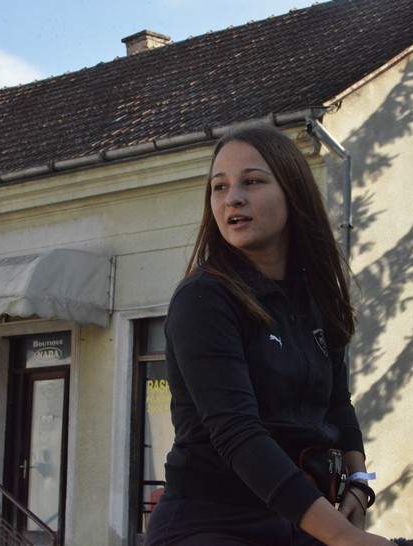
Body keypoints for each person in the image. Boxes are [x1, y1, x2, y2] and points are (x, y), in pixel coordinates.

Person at [145, 124, 396, 545]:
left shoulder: (315, 297)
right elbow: (238, 434)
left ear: (292, 192)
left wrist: (358, 482)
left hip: (302, 521)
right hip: (212, 524)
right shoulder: (203, 299)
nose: (232, 198)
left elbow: (338, 404)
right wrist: (342, 537)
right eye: (219, 187)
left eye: (252, 182)